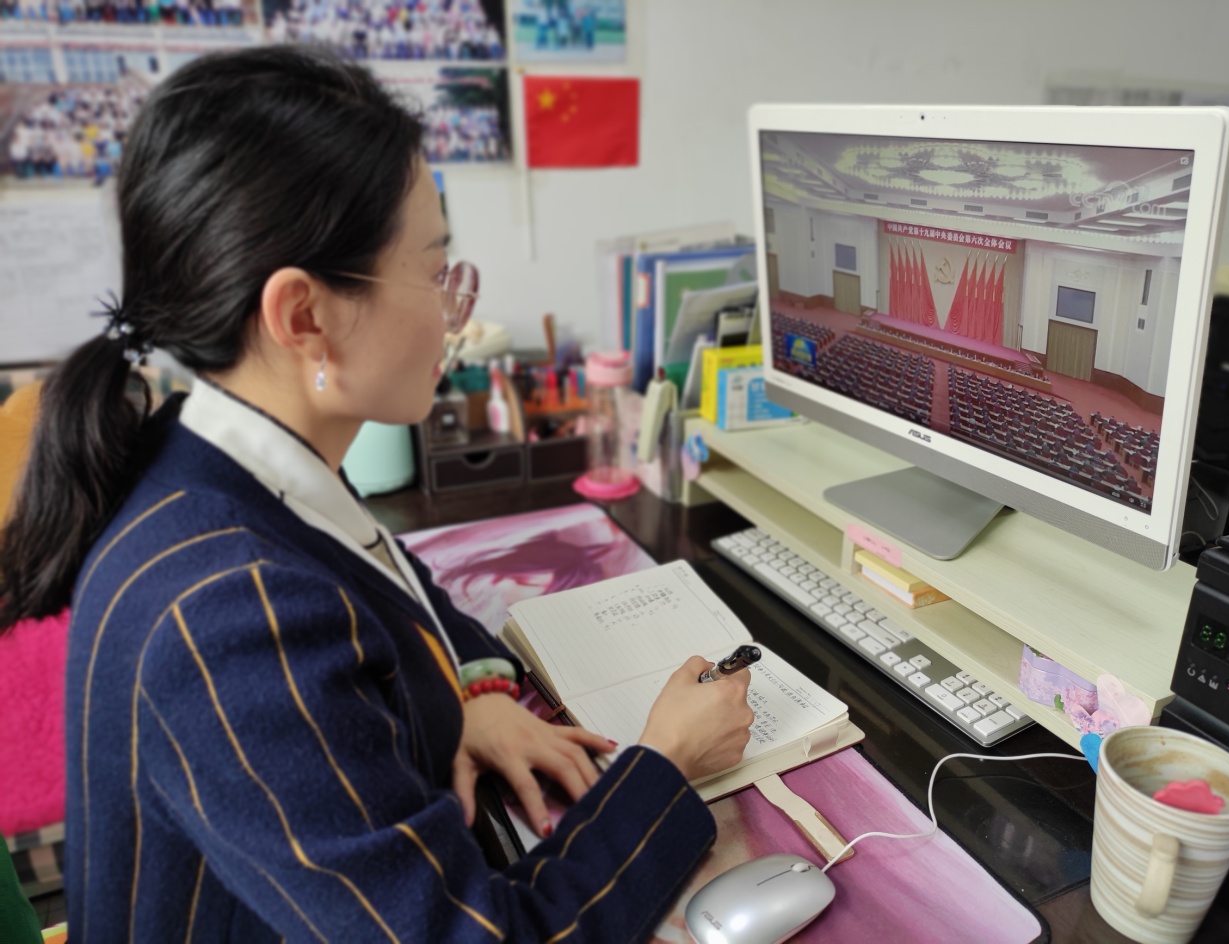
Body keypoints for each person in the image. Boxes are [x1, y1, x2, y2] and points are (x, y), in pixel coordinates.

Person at [0, 45, 755, 943]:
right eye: (435, 271)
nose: (453, 309)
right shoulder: (231, 614)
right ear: (304, 317)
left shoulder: (229, 455)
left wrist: (474, 690)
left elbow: (383, 570)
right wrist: (667, 764)